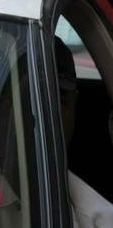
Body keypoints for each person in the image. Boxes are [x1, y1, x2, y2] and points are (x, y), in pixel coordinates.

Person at [55, 36, 113, 227]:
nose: (54, 116)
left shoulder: (98, 216)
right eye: (24, 101)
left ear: (75, 103)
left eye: (62, 102)